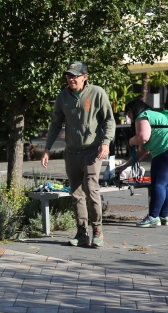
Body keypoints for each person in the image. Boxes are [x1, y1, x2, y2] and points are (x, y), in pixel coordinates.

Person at [41, 62, 115, 247]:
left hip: (92, 151)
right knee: (76, 194)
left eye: (75, 76)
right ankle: (82, 232)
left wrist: (105, 143)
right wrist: (47, 148)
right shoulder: (63, 97)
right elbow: (56, 124)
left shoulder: (97, 93)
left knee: (91, 189)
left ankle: (97, 229)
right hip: (72, 152)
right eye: (68, 76)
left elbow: (109, 121)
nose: (71, 79)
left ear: (85, 76)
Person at [116, 99, 168, 227]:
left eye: (128, 112)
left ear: (134, 110)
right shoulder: (154, 116)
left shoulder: (143, 116)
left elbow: (142, 137)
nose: (128, 116)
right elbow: (141, 152)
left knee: (158, 183)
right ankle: (164, 216)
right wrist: (124, 166)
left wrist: (131, 141)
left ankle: (153, 217)